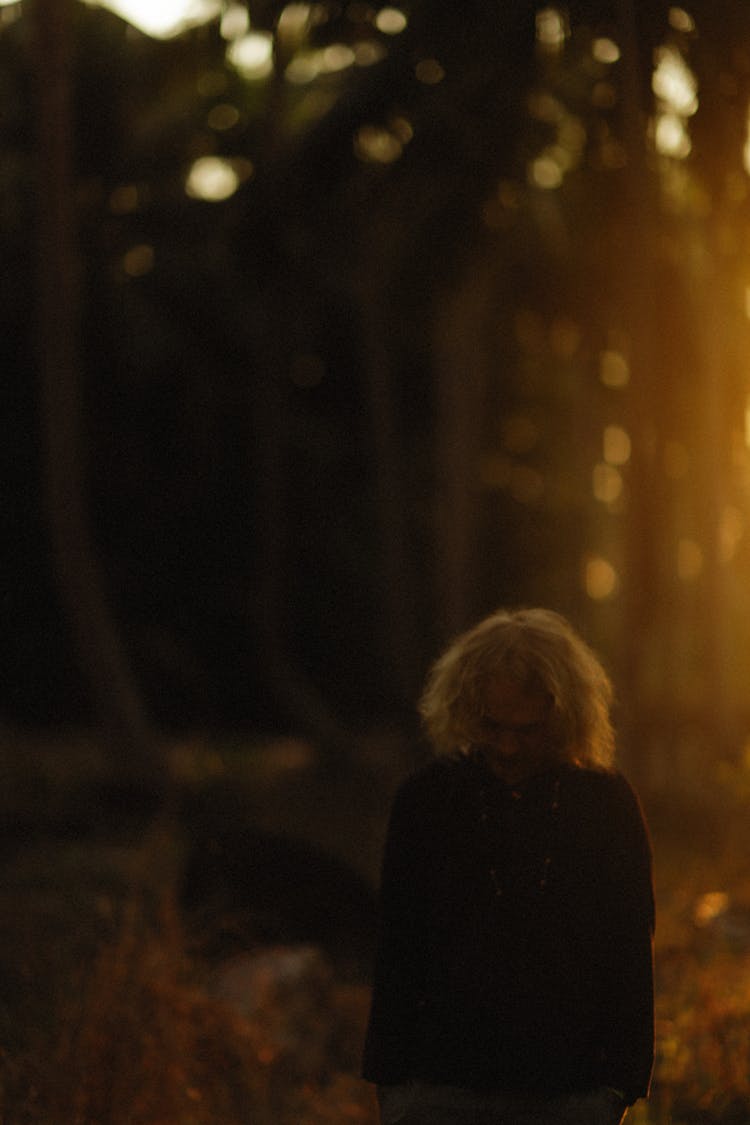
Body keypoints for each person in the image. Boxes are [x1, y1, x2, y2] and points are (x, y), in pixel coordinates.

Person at [362, 608, 654, 1125]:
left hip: (570, 1093)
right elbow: (398, 944)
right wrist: (393, 1085)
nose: (508, 747)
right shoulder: (426, 800)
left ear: (563, 716)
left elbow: (629, 945)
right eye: (491, 726)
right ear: (465, 709)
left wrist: (620, 1084)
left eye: (528, 730)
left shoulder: (605, 805)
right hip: (439, 1089)